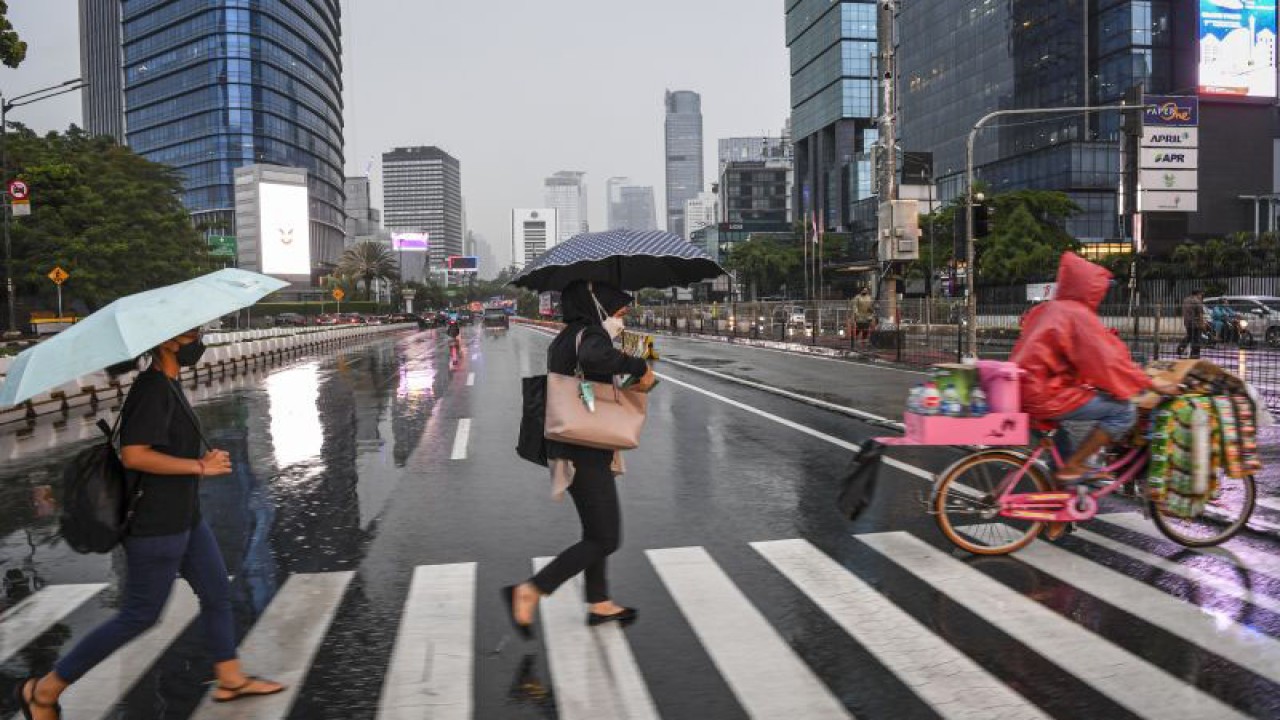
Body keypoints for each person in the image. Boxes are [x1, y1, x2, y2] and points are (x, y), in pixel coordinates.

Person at [15, 330, 283, 719]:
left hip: (185, 517)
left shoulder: (169, 385)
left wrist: (203, 455)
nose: (199, 339)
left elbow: (165, 444)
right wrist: (199, 467)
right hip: (157, 524)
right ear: (167, 342)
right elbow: (135, 455)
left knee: (215, 592)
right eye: (192, 333)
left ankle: (230, 677)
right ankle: (43, 690)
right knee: (140, 615)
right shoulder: (153, 389)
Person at [503, 280, 656, 636]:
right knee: (605, 537)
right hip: (582, 448)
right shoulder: (590, 335)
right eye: (618, 310)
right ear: (598, 305)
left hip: (571, 443)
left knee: (595, 530)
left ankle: (600, 602)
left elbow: (588, 374)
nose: (623, 315)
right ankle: (531, 590)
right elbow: (595, 358)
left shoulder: (568, 335)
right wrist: (638, 365)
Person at [1011, 253, 1179, 488]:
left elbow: (1067, 351)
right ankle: (1077, 466)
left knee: (1064, 443)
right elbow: (1105, 360)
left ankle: (1058, 508)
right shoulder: (1077, 314)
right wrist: (1152, 383)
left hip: (1021, 387)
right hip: (1045, 394)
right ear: (1089, 288)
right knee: (1123, 411)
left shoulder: (1047, 309)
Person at [1176, 289, 1206, 358]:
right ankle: (1195, 353)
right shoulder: (1197, 301)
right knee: (1196, 338)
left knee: (1189, 336)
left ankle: (1180, 347)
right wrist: (1202, 324)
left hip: (1187, 322)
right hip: (1195, 323)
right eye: (1201, 295)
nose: (1201, 296)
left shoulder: (1185, 300)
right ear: (1198, 294)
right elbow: (1200, 314)